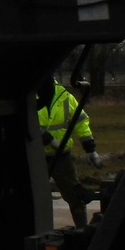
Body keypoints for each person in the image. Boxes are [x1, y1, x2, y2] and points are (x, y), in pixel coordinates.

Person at [37, 78, 98, 227]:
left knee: (74, 195)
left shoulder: (64, 95)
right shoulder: (29, 95)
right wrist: (45, 137)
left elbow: (80, 120)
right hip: (36, 156)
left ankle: (81, 229)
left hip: (61, 157)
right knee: (36, 198)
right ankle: (39, 231)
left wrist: (90, 148)